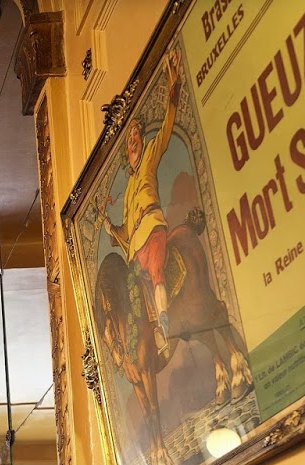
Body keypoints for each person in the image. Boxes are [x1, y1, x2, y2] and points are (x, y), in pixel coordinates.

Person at [98, 53, 182, 340]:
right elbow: (124, 230)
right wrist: (111, 229)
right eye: (130, 138)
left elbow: (167, 129)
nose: (132, 139)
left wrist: (173, 89)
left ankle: (165, 319)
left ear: (142, 140)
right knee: (130, 293)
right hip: (135, 246)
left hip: (153, 230)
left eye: (135, 134)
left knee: (157, 271)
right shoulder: (127, 190)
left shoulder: (149, 157)